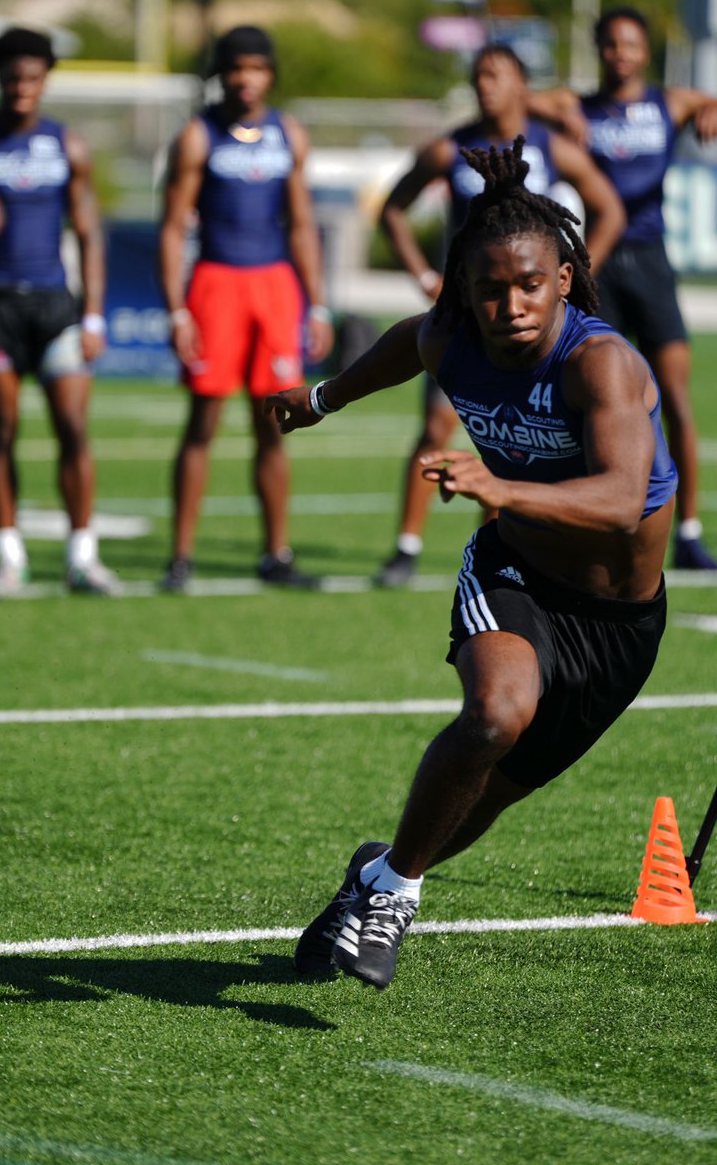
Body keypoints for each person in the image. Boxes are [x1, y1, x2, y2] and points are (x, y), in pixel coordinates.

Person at [266, 137, 677, 991]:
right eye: (490, 289)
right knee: (493, 716)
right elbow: (408, 342)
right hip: (516, 575)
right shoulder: (452, 338)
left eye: (530, 284)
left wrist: (499, 484)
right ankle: (397, 895)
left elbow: (618, 500)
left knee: (481, 798)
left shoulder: (601, 363)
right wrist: (322, 398)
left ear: (564, 278)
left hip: (622, 624)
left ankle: (376, 876)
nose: (511, 305)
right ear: (464, 290)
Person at [376, 44, 625, 587]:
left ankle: (501, 546)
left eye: (496, 74)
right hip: (470, 321)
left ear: (521, 83)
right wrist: (424, 275)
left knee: (518, 437)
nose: (484, 85)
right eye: (478, 75)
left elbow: (608, 208)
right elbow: (392, 209)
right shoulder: (451, 148)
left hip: (531, 328)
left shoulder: (552, 146)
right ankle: (405, 547)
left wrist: (578, 271)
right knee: (435, 427)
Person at [528, 7, 717, 570]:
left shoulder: (668, 103)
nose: (621, 54)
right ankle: (592, 522)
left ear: (645, 50)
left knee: (674, 396)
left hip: (652, 260)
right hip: (597, 263)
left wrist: (709, 106)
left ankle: (688, 531)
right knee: (593, 397)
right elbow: (520, 100)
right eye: (611, 44)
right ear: (598, 49)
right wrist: (560, 107)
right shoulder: (580, 105)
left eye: (631, 44)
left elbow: (706, 102)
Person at [0, 26, 119, 596]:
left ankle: (82, 558)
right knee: (2, 431)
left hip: (54, 308)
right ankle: (9, 558)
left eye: (33, 78)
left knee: (73, 428)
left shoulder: (68, 145)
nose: (22, 87)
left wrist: (93, 315)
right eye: (13, 77)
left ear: (45, 81)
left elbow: (88, 235)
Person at [158, 24, 333, 592]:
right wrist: (177, 309)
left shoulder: (288, 133)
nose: (246, 79)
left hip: (274, 285)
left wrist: (318, 304)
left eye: (256, 67)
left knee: (275, 421)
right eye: (236, 68)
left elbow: (301, 223)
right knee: (202, 422)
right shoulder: (198, 135)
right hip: (215, 283)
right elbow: (171, 226)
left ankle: (275, 554)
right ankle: (180, 556)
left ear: (270, 74)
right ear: (222, 74)